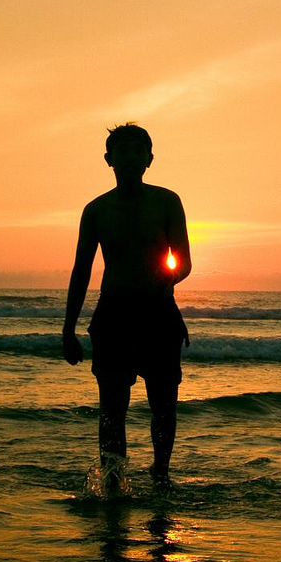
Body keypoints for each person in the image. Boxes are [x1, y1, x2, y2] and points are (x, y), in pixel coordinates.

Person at [62, 123, 191, 491]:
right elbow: (81, 271)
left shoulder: (167, 201)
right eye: (123, 150)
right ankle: (114, 482)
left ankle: (161, 474)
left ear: (150, 158)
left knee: (164, 404)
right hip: (113, 314)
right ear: (109, 159)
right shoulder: (97, 210)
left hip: (158, 312)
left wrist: (168, 279)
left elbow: (182, 260)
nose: (131, 156)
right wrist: (68, 329)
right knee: (112, 407)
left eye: (139, 150)